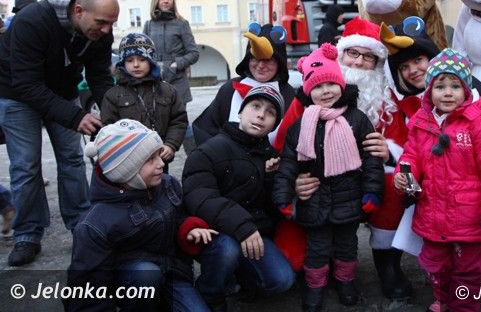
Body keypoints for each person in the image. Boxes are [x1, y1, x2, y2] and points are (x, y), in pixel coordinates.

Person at [272, 16, 411, 301]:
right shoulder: (310, 95)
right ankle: (320, 273)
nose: (359, 62)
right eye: (353, 53)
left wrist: (390, 153)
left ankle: (387, 262)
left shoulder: (386, 100)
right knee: (293, 261)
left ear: (378, 63)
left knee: (393, 184)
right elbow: (282, 148)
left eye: (368, 57)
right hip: (318, 189)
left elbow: (410, 148)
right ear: (340, 54)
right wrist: (296, 182)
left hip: (366, 181)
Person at [0, 0, 118, 266]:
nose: (106, 30)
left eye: (111, 24)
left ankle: (81, 224)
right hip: (17, 95)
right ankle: (27, 234)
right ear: (78, 11)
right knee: (26, 166)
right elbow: (27, 85)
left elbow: (100, 77)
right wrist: (76, 117)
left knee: (72, 159)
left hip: (63, 92)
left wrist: (113, 113)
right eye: (101, 22)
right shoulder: (32, 22)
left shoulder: (99, 32)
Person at [393, 48, 481, 312]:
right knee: (435, 265)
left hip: (470, 220)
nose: (447, 93)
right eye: (440, 86)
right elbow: (411, 156)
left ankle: (463, 306)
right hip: (433, 215)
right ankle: (443, 297)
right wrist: (405, 177)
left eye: (455, 86)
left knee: (467, 272)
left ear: (466, 91)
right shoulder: (421, 123)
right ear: (429, 91)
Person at [67, 119, 214, 312]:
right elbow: (87, 286)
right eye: (150, 159)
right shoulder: (94, 224)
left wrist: (188, 227)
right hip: (135, 285)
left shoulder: (167, 184)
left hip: (173, 274)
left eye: (159, 155)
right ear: (125, 170)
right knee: (146, 273)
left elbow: (177, 215)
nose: (161, 163)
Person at [183, 86, 295, 311]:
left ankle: (241, 277)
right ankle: (210, 291)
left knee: (282, 280)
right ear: (241, 112)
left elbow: (273, 210)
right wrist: (242, 226)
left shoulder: (272, 157)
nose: (261, 115)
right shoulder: (208, 151)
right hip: (217, 234)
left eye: (270, 112)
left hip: (253, 234)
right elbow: (201, 197)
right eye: (255, 106)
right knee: (227, 249)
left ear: (275, 124)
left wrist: (271, 180)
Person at [192, 23, 295, 146]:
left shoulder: (289, 94)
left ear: (280, 63)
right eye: (255, 58)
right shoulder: (230, 88)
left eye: (268, 60)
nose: (261, 66)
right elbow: (206, 129)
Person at [101, 33, 188, 170]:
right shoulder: (113, 95)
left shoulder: (167, 91)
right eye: (130, 60)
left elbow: (178, 121)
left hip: (160, 157)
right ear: (122, 63)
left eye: (142, 59)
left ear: (151, 61)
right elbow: (109, 128)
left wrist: (171, 144)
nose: (136, 65)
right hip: (128, 161)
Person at [144, 0, 199, 106]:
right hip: (154, 80)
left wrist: (177, 64)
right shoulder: (149, 25)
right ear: (156, 1)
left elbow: (194, 53)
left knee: (178, 116)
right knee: (155, 116)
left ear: (173, 2)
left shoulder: (182, 23)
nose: (166, 1)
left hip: (177, 80)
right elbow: (143, 52)